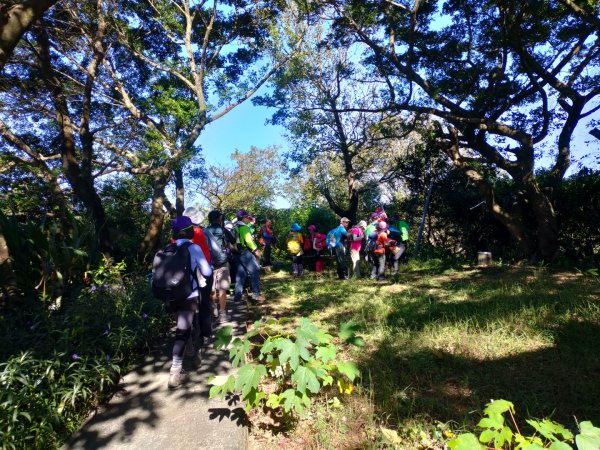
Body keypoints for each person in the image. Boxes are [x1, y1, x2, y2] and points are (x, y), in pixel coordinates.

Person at [165, 216, 212, 388]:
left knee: (182, 326)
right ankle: (176, 371)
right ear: (188, 231)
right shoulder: (194, 248)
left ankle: (192, 351)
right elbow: (206, 272)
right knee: (184, 331)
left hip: (170, 295)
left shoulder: (166, 249)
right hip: (189, 295)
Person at [182, 207, 214, 348]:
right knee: (205, 304)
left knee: (187, 306)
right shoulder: (200, 232)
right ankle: (206, 335)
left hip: (183, 276)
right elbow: (207, 253)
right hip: (201, 272)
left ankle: (188, 336)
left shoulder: (176, 235)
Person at [206, 210, 235, 323]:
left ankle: (214, 310)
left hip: (209, 263)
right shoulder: (223, 230)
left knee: (211, 288)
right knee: (222, 288)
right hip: (222, 262)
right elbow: (232, 240)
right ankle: (222, 313)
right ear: (219, 218)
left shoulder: (205, 230)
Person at [234, 210, 265, 302]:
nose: (248, 218)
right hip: (244, 252)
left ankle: (238, 295)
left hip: (237, 252)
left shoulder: (236, 226)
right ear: (243, 218)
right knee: (255, 270)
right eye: (247, 217)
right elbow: (248, 240)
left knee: (240, 274)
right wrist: (256, 250)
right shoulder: (244, 227)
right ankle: (256, 294)